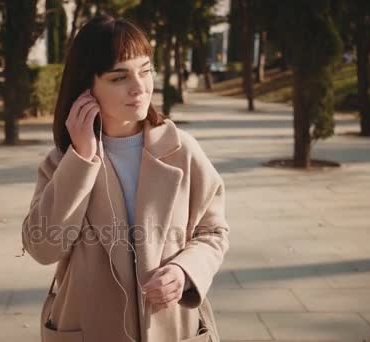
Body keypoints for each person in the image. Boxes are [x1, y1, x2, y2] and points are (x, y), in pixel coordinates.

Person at [21, 15, 230, 342]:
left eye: (145, 71)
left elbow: (213, 231)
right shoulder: (62, 163)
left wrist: (184, 271)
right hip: (88, 328)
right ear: (87, 87)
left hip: (173, 328)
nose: (139, 87)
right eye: (119, 77)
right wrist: (82, 158)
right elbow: (43, 248)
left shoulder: (181, 150)